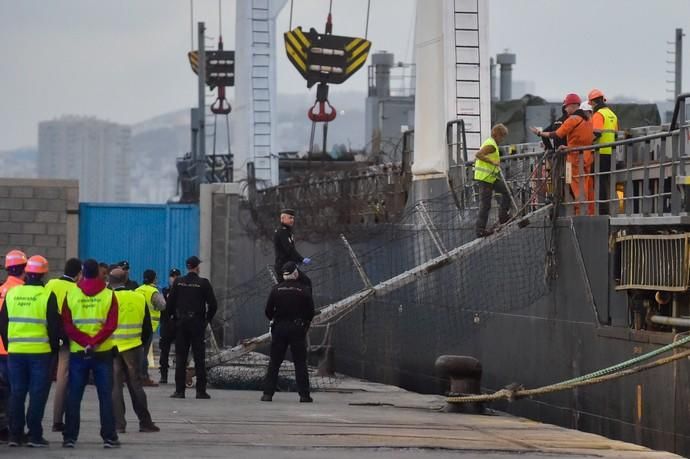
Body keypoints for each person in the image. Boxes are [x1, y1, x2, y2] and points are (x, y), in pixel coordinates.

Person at [0, 255, 60, 447]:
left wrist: (10, 346)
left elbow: (3, 324)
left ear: (28, 272)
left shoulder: (12, 294)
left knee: (17, 393)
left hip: (15, 352)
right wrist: (53, 349)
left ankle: (15, 435)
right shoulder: (46, 296)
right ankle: (34, 435)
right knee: (37, 394)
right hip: (40, 353)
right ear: (43, 274)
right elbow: (53, 327)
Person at [61, 258, 120, 449]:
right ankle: (109, 437)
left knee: (74, 396)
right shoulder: (109, 296)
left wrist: (85, 342)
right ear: (98, 273)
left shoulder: (71, 294)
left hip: (79, 352)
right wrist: (94, 343)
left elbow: (68, 325)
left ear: (82, 273)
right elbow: (111, 325)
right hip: (102, 353)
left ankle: (70, 437)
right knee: (105, 396)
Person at [109, 268, 159, 434]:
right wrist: (141, 345)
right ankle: (145, 422)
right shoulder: (138, 298)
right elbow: (147, 328)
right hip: (133, 347)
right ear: (126, 279)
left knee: (115, 386)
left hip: (112, 348)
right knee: (136, 385)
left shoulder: (107, 298)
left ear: (110, 280)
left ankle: (118, 424)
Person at [531, 93, 595, 216]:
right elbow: (586, 139)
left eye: (566, 106)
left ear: (573, 105)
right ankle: (589, 213)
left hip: (574, 159)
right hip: (587, 157)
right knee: (586, 185)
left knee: (574, 186)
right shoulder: (588, 120)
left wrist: (539, 133)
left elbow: (556, 134)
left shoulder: (572, 120)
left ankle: (579, 214)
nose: (565, 109)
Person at [261, 262, 316, 403]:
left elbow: (268, 311)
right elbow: (310, 312)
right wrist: (304, 323)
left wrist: (276, 319)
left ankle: (268, 394)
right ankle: (304, 395)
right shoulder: (304, 290)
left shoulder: (275, 289)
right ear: (295, 273)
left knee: (274, 363)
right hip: (297, 328)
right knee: (300, 363)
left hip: (279, 328)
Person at [168, 256, 217, 399]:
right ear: (197, 267)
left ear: (187, 267)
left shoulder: (178, 282)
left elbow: (170, 304)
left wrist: (174, 319)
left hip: (181, 323)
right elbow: (213, 305)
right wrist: (207, 320)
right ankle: (200, 391)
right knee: (199, 357)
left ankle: (179, 390)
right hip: (197, 323)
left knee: (181, 357)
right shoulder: (203, 283)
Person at [45, 257, 81, 433]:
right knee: (64, 378)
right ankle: (58, 420)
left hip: (48, 337)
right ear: (78, 274)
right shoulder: (76, 289)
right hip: (68, 338)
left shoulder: (51, 284)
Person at [0, 249, 27, 443]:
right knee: (15, 392)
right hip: (14, 349)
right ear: (24, 269)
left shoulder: (1, 289)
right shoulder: (21, 292)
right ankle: (13, 429)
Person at [473, 123, 511, 237]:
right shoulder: (492, 145)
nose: (503, 139)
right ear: (498, 135)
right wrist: (492, 162)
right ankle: (480, 229)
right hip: (485, 179)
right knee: (486, 204)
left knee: (507, 191)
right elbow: (479, 155)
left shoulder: (491, 143)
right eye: (502, 136)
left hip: (491, 178)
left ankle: (503, 216)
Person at [588, 88, 619, 214]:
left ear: (593, 103)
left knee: (599, 181)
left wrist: (587, 143)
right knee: (608, 181)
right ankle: (610, 208)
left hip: (600, 152)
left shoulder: (598, 114)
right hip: (610, 153)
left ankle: (601, 209)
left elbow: (596, 133)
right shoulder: (612, 114)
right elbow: (616, 135)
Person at [135, 270, 165, 387]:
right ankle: (143, 376)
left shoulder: (137, 290)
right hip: (149, 326)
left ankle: (137, 375)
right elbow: (162, 306)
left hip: (137, 325)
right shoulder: (154, 291)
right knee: (144, 352)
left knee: (138, 352)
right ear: (154, 279)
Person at [273, 209, 312, 290]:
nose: (292, 220)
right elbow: (289, 249)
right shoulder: (282, 232)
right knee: (303, 283)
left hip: (289, 265)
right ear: (283, 218)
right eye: (290, 218)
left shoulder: (287, 231)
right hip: (284, 267)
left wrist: (296, 261)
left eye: (293, 218)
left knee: (301, 284)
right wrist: (301, 259)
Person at [159, 268, 180, 384]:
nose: (174, 278)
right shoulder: (164, 291)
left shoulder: (183, 291)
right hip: (167, 323)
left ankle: (179, 375)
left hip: (179, 323)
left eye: (176, 276)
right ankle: (163, 375)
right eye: (172, 276)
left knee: (180, 351)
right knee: (164, 351)